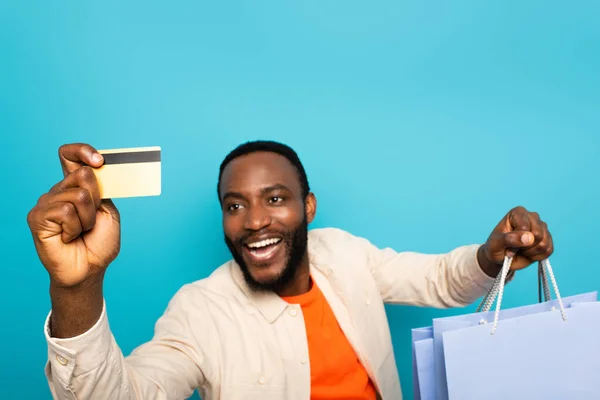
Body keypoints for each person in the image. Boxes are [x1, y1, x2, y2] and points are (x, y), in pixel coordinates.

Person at [27, 141, 554, 400]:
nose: (255, 222)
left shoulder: (344, 254)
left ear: (309, 207)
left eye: (275, 199)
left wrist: (493, 254)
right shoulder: (199, 311)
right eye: (234, 206)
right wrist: (78, 284)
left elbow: (439, 279)